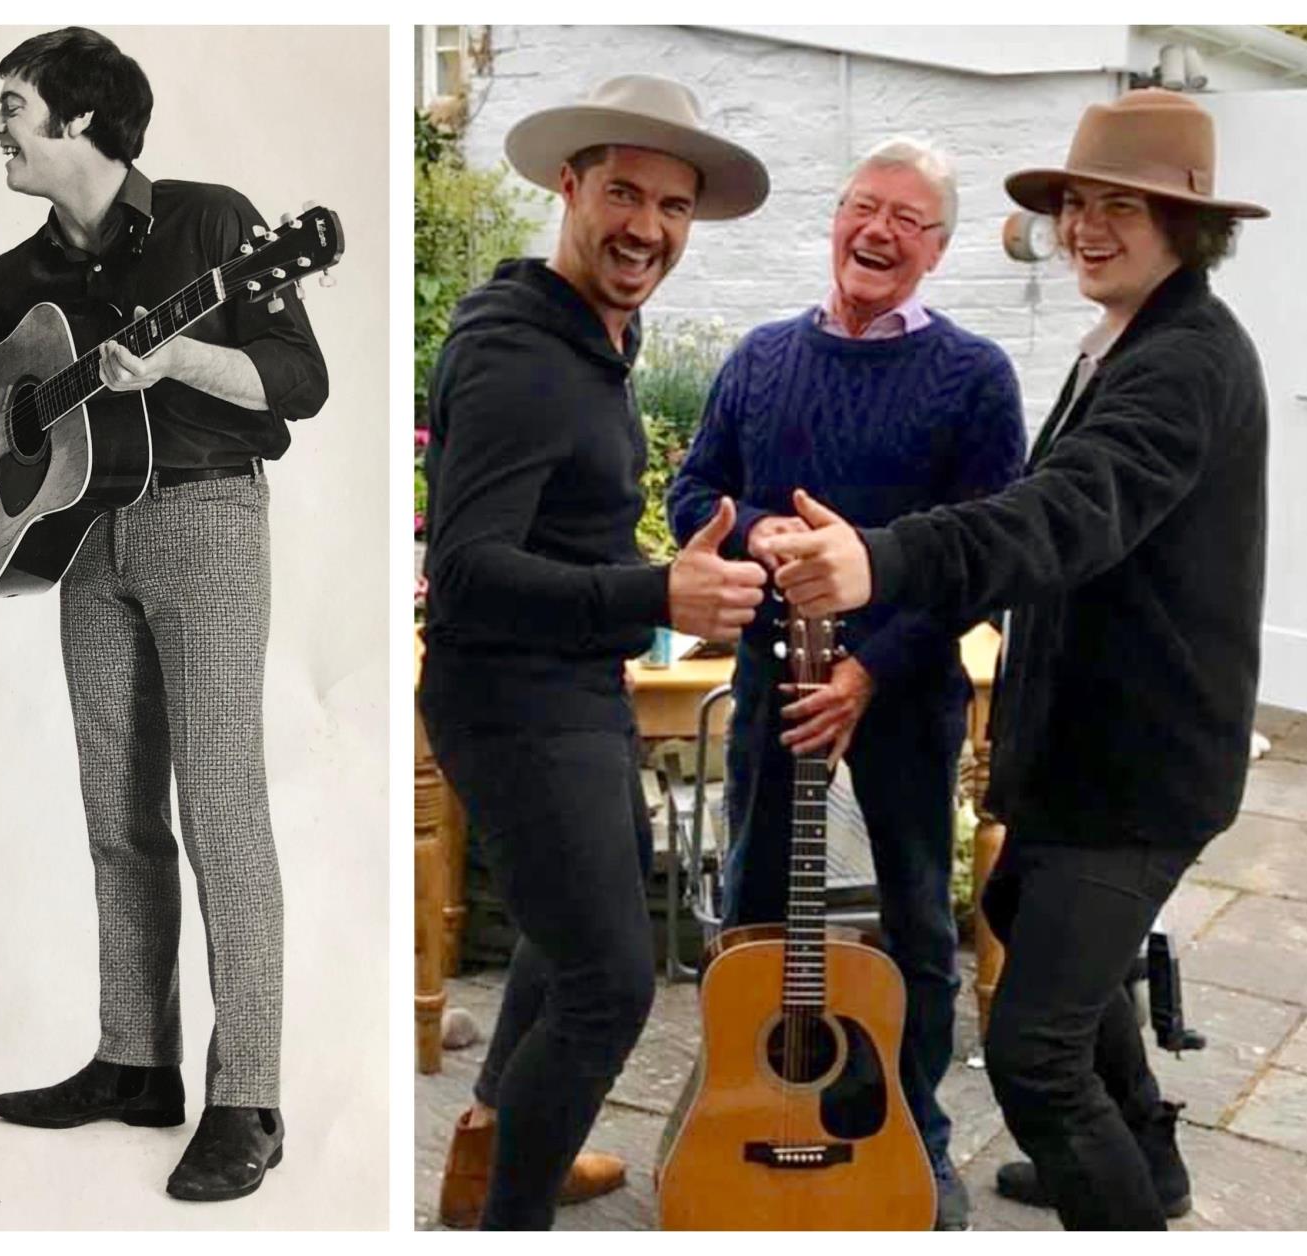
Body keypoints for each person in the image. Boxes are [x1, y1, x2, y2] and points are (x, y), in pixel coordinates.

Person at [762, 88, 1270, 1230]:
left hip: (1139, 768)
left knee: (1034, 1053)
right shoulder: (1129, 338)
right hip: (1080, 747)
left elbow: (1057, 515)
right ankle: (1153, 1160)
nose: (1088, 226)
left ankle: (1122, 1200)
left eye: (1122, 207)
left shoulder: (1184, 361)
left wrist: (878, 563)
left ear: (1190, 225)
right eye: (1078, 203)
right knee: (1034, 927)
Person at [0, 26, 327, 1202]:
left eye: (14, 106)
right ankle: (135, 1063)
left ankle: (250, 1098)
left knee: (220, 803)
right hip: (83, 539)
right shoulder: (25, 269)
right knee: (115, 810)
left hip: (208, 520)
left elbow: (300, 382)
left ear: (80, 121)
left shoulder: (215, 222)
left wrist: (179, 359)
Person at [419, 74, 771, 1230]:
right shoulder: (524, 354)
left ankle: (496, 1146)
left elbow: (562, 529)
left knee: (578, 932)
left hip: (569, 685)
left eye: (673, 206)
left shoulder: (592, 335)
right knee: (608, 984)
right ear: (568, 187)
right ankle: (507, 1214)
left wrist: (656, 580)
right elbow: (465, 568)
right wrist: (656, 587)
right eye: (623, 192)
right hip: (514, 704)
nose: (647, 227)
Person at [665, 136, 1026, 1229]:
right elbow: (694, 492)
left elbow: (987, 553)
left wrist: (871, 667)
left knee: (918, 920)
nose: (877, 231)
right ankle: (745, 1106)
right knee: (754, 908)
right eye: (863, 206)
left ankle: (915, 1133)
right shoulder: (763, 359)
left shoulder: (975, 376)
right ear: (836, 220)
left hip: (903, 689)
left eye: (906, 220)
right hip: (779, 677)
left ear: (938, 250)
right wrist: (751, 526)